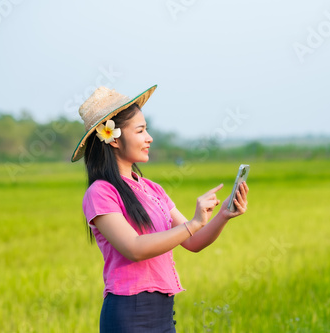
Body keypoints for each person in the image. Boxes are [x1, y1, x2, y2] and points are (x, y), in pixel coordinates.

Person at [71, 85, 249, 332]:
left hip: (164, 312)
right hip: (129, 313)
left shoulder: (152, 189)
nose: (149, 138)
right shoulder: (101, 192)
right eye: (141, 130)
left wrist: (224, 214)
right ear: (112, 139)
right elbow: (134, 248)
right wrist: (193, 223)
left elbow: (193, 241)